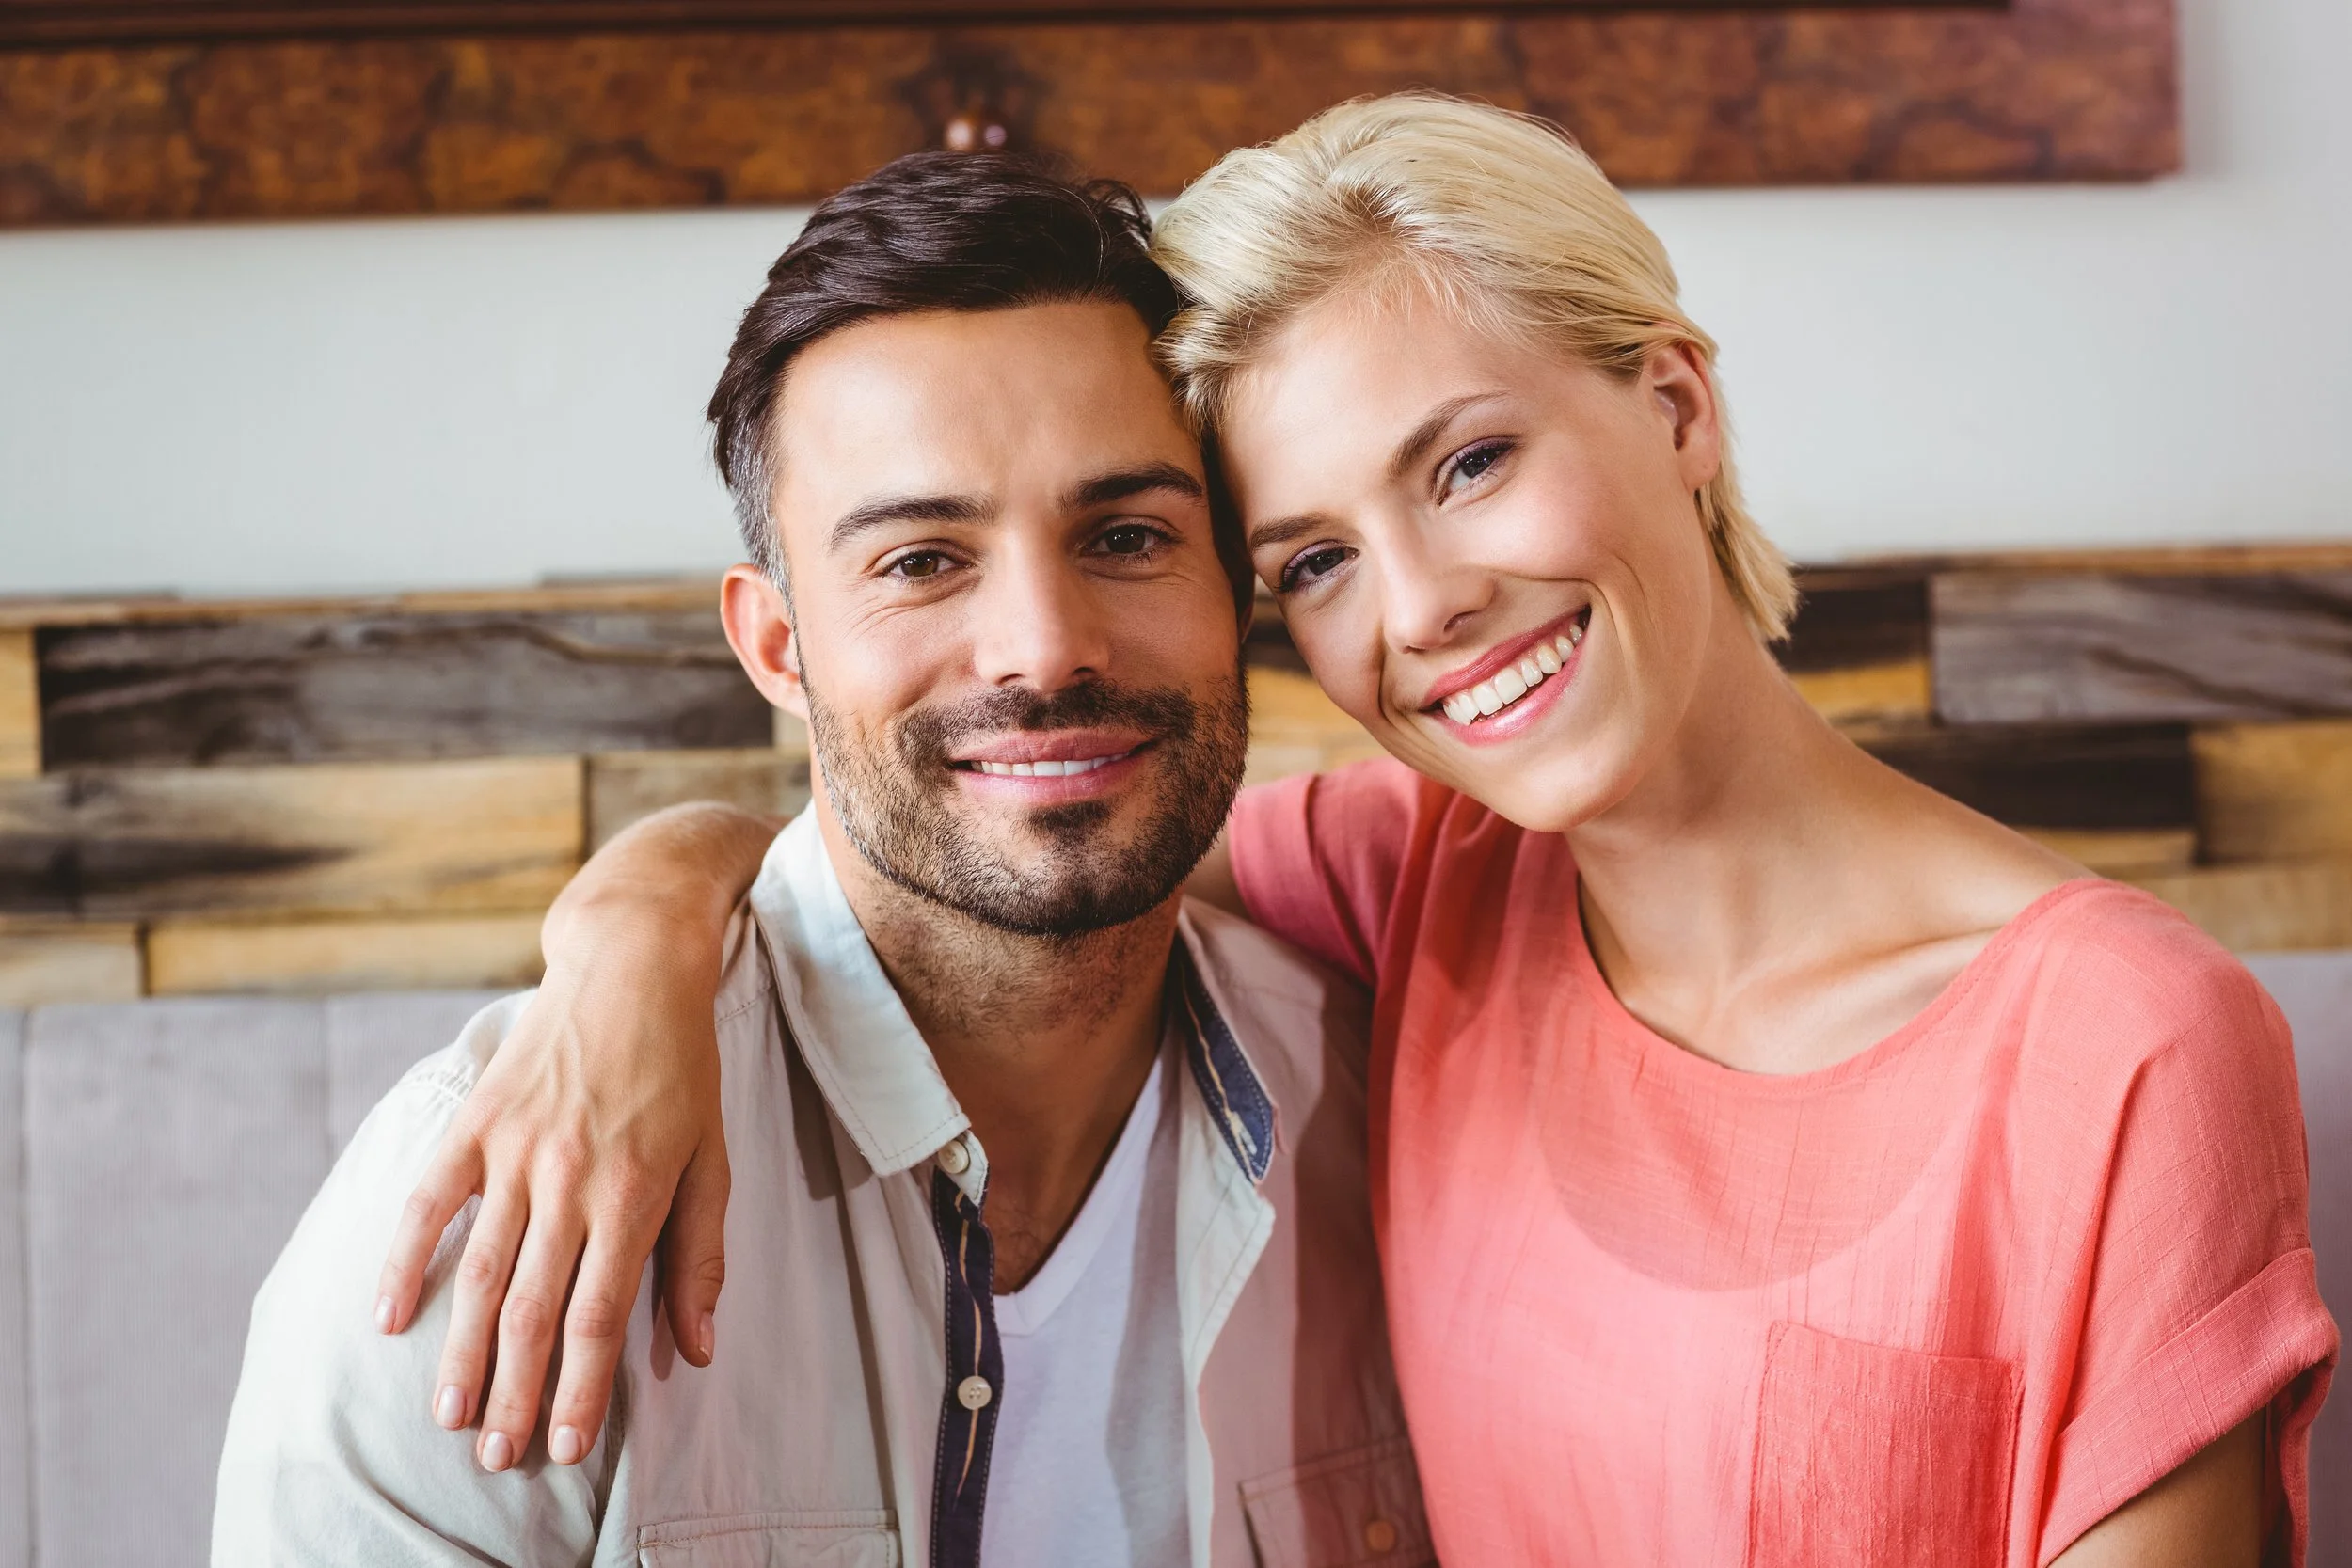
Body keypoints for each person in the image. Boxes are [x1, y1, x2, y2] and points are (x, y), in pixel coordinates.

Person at [374, 98, 2338, 1565]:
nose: (1417, 610)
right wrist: (630, 939)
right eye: (1312, 555)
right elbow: (966, 828)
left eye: (1468, 462)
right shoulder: (1418, 886)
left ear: (1671, 407)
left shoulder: (2122, 1043)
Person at [213, 153, 1432, 1568]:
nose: (1045, 643)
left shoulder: (1385, 1108)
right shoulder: (503, 1206)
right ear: (778, 647)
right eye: (921, 560)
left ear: (1234, 589)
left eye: (1126, 535)